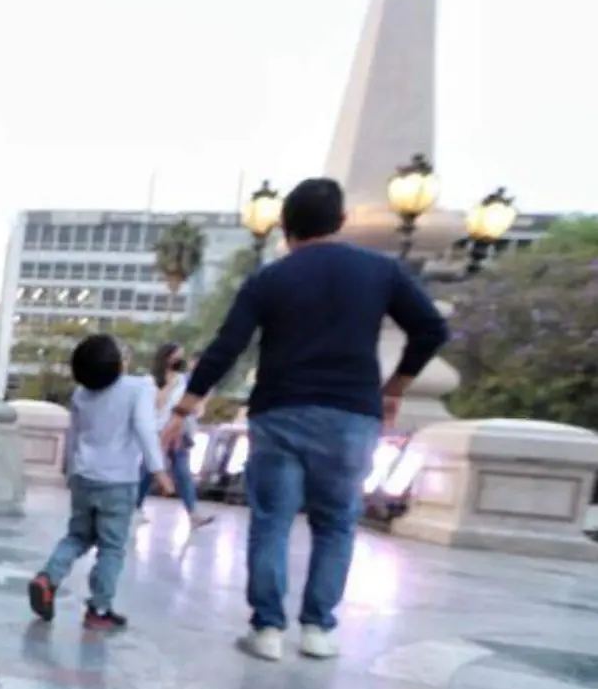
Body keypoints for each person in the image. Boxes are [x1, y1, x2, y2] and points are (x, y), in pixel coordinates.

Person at [162, 178, 448, 661]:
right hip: (352, 414)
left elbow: (226, 347)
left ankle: (268, 629)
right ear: (340, 222)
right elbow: (432, 329)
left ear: (285, 225)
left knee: (272, 521)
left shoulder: (271, 279)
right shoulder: (381, 271)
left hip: (281, 411)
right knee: (336, 523)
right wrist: (395, 386)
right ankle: (318, 628)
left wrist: (184, 409)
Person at [29, 334, 173, 631]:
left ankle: (48, 578)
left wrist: (69, 473)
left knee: (77, 536)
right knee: (111, 547)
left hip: (84, 477)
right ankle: (99, 608)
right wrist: (158, 469)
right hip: (118, 481)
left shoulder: (82, 394)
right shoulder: (138, 388)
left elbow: (74, 436)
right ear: (117, 363)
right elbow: (145, 429)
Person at [136, 342, 215, 529]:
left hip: (177, 432)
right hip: (156, 430)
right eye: (177, 356)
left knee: (182, 471)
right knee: (149, 471)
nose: (180, 360)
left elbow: (192, 404)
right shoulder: (150, 380)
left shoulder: (183, 380)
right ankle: (134, 507)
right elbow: (157, 403)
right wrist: (169, 385)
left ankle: (193, 513)